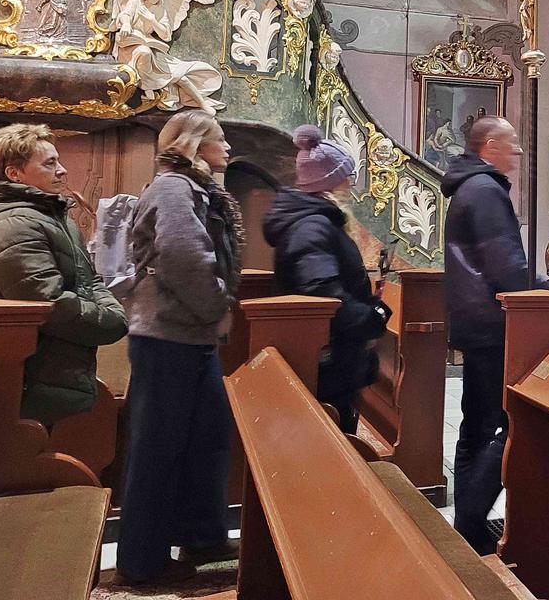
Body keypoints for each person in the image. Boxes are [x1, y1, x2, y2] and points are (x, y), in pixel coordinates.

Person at [116, 111, 243, 585]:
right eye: (220, 139)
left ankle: (202, 536)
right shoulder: (173, 188)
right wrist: (217, 306)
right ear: (194, 144)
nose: (227, 148)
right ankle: (141, 562)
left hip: (188, 334)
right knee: (158, 448)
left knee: (205, 438)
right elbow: (184, 256)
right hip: (166, 336)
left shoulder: (192, 188)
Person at [0, 124, 127, 427]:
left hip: (57, 370)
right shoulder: (14, 226)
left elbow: (88, 279)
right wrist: (111, 320)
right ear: (15, 174)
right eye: (49, 163)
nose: (62, 170)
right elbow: (48, 304)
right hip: (32, 378)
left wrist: (112, 311)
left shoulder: (54, 218)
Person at [442, 115, 529, 555]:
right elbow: (505, 263)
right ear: (490, 145)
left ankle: (467, 525)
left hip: (474, 322)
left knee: (475, 426)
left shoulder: (467, 188)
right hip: (495, 325)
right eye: (511, 143)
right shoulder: (486, 190)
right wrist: (534, 294)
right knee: (508, 423)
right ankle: (473, 518)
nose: (518, 151)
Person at [264, 126, 387, 433]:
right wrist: (369, 319)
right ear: (331, 182)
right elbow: (322, 293)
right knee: (333, 434)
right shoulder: (312, 227)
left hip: (335, 354)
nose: (350, 184)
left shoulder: (316, 223)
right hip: (329, 359)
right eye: (346, 177)